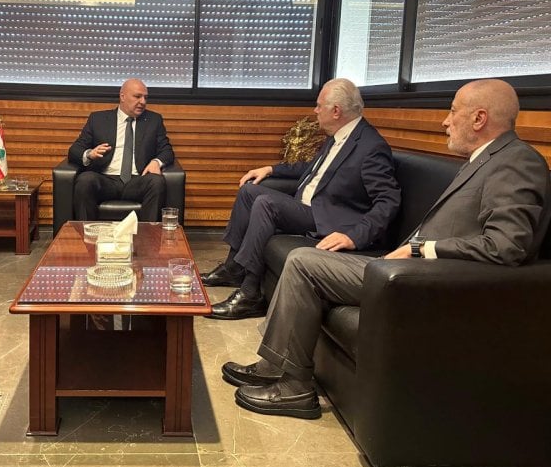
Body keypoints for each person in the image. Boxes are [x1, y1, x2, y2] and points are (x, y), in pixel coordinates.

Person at [222, 78, 551, 419]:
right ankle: (276, 368)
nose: (445, 121)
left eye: (453, 111)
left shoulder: (516, 162)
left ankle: (293, 387)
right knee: (303, 259)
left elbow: (507, 245)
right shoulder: (483, 160)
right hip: (407, 268)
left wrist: (420, 250)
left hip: (423, 278)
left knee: (304, 261)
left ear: (479, 118)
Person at [204, 78, 401, 320]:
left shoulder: (371, 146)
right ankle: (233, 268)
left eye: (319, 105)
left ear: (336, 111)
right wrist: (270, 169)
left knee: (266, 203)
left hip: (329, 219)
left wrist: (354, 236)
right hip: (308, 208)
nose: (315, 111)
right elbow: (311, 169)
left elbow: (388, 200)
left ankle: (250, 294)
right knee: (249, 191)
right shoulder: (337, 137)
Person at [68, 78, 174, 222]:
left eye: (145, 97)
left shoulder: (154, 120)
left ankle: (148, 235)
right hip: (105, 180)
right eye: (137, 96)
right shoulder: (98, 119)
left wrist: (157, 162)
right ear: (122, 96)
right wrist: (90, 154)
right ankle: (87, 233)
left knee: (156, 182)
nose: (143, 101)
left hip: (138, 180)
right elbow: (74, 150)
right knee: (85, 180)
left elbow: (167, 150)